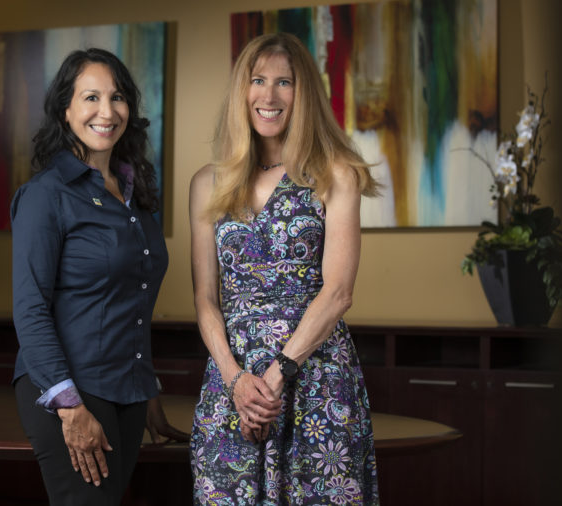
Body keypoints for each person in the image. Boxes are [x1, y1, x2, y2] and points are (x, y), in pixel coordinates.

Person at [188, 33, 380, 505]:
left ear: (304, 93)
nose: (269, 96)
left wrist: (276, 376)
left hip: (314, 381)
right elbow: (206, 300)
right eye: (258, 80)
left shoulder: (337, 174)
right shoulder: (207, 183)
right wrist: (237, 381)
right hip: (233, 386)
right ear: (242, 91)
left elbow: (337, 292)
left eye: (284, 82)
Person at [11, 48, 186, 506]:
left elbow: (135, 299)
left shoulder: (135, 195)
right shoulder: (45, 196)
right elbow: (30, 308)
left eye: (118, 97)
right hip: (69, 388)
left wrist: (145, 387)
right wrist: (69, 407)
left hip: (126, 387)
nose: (107, 112)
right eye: (91, 97)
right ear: (65, 110)